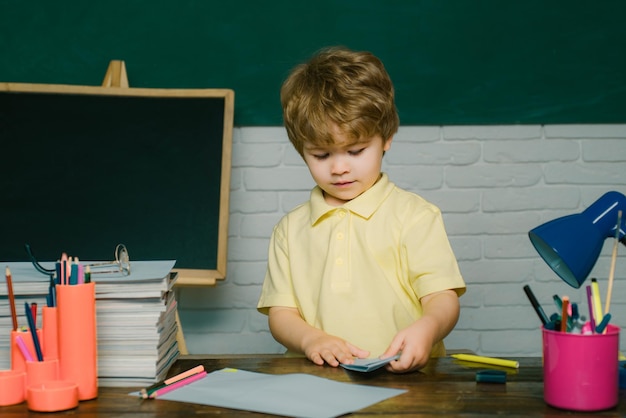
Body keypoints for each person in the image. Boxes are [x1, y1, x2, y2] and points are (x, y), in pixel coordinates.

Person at [257, 46, 466, 373]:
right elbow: (281, 314)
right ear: (301, 151)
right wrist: (311, 339)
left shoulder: (415, 216)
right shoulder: (290, 229)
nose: (339, 167)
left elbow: (442, 298)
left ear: (386, 138)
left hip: (408, 382)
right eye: (321, 156)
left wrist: (428, 328)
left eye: (355, 150)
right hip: (318, 379)